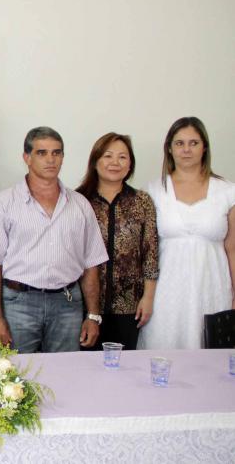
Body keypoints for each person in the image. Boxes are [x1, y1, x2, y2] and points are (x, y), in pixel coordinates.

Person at [0, 127, 107, 353]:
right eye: (42, 153)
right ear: (26, 158)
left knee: (66, 377)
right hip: (16, 304)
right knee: (7, 374)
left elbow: (92, 264)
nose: (51, 159)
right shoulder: (2, 204)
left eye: (56, 153)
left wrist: (93, 315)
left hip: (67, 304)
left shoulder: (80, 205)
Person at [139, 117, 235, 349]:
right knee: (162, 355)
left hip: (212, 288)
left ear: (205, 147)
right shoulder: (153, 191)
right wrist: (145, 296)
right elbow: (145, 251)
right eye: (179, 143)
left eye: (193, 143)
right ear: (169, 149)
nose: (186, 149)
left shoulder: (227, 191)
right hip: (166, 293)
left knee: (210, 361)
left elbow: (232, 247)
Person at [76, 133, 158, 350]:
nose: (115, 162)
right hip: (85, 306)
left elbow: (150, 253)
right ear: (95, 161)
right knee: (85, 369)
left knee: (124, 371)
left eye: (122, 157)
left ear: (130, 164)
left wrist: (148, 298)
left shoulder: (142, 201)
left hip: (129, 306)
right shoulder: (78, 200)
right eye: (108, 156)